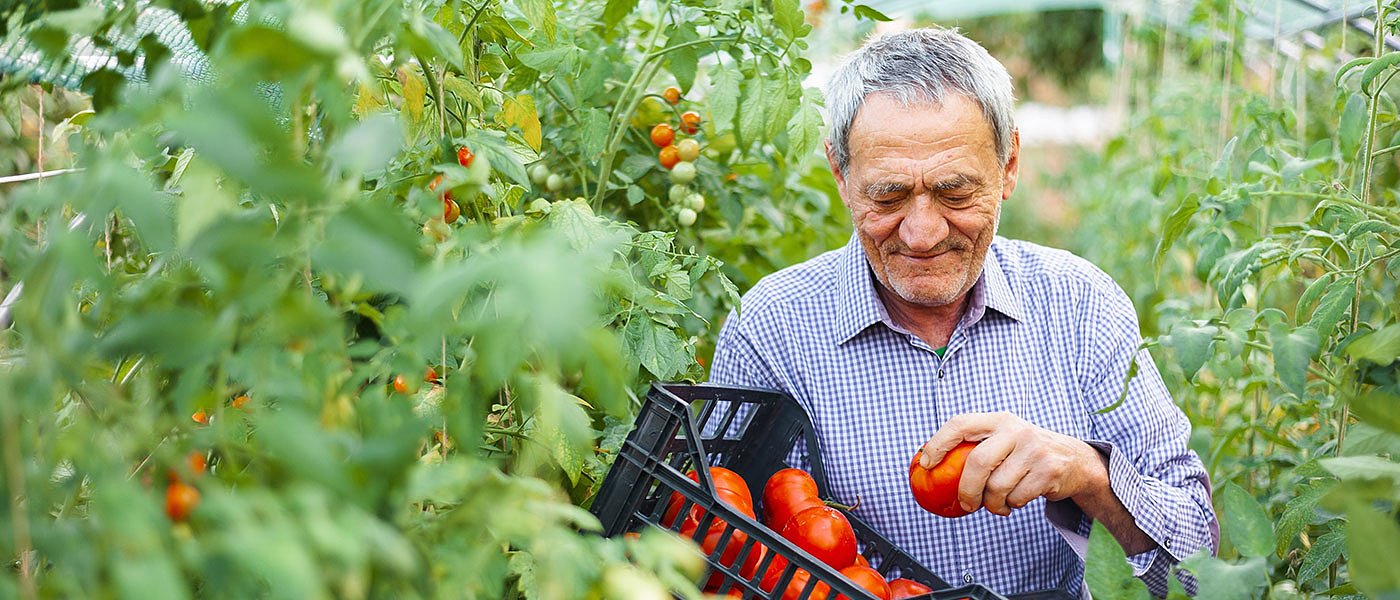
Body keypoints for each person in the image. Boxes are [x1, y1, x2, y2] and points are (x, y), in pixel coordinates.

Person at [708, 28, 1218, 598]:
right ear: (841, 177)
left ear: (1009, 167)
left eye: (955, 194)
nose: (922, 233)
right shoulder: (773, 331)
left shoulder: (1080, 306)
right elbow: (727, 549)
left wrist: (1088, 476)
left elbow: (1199, 569)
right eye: (888, 196)